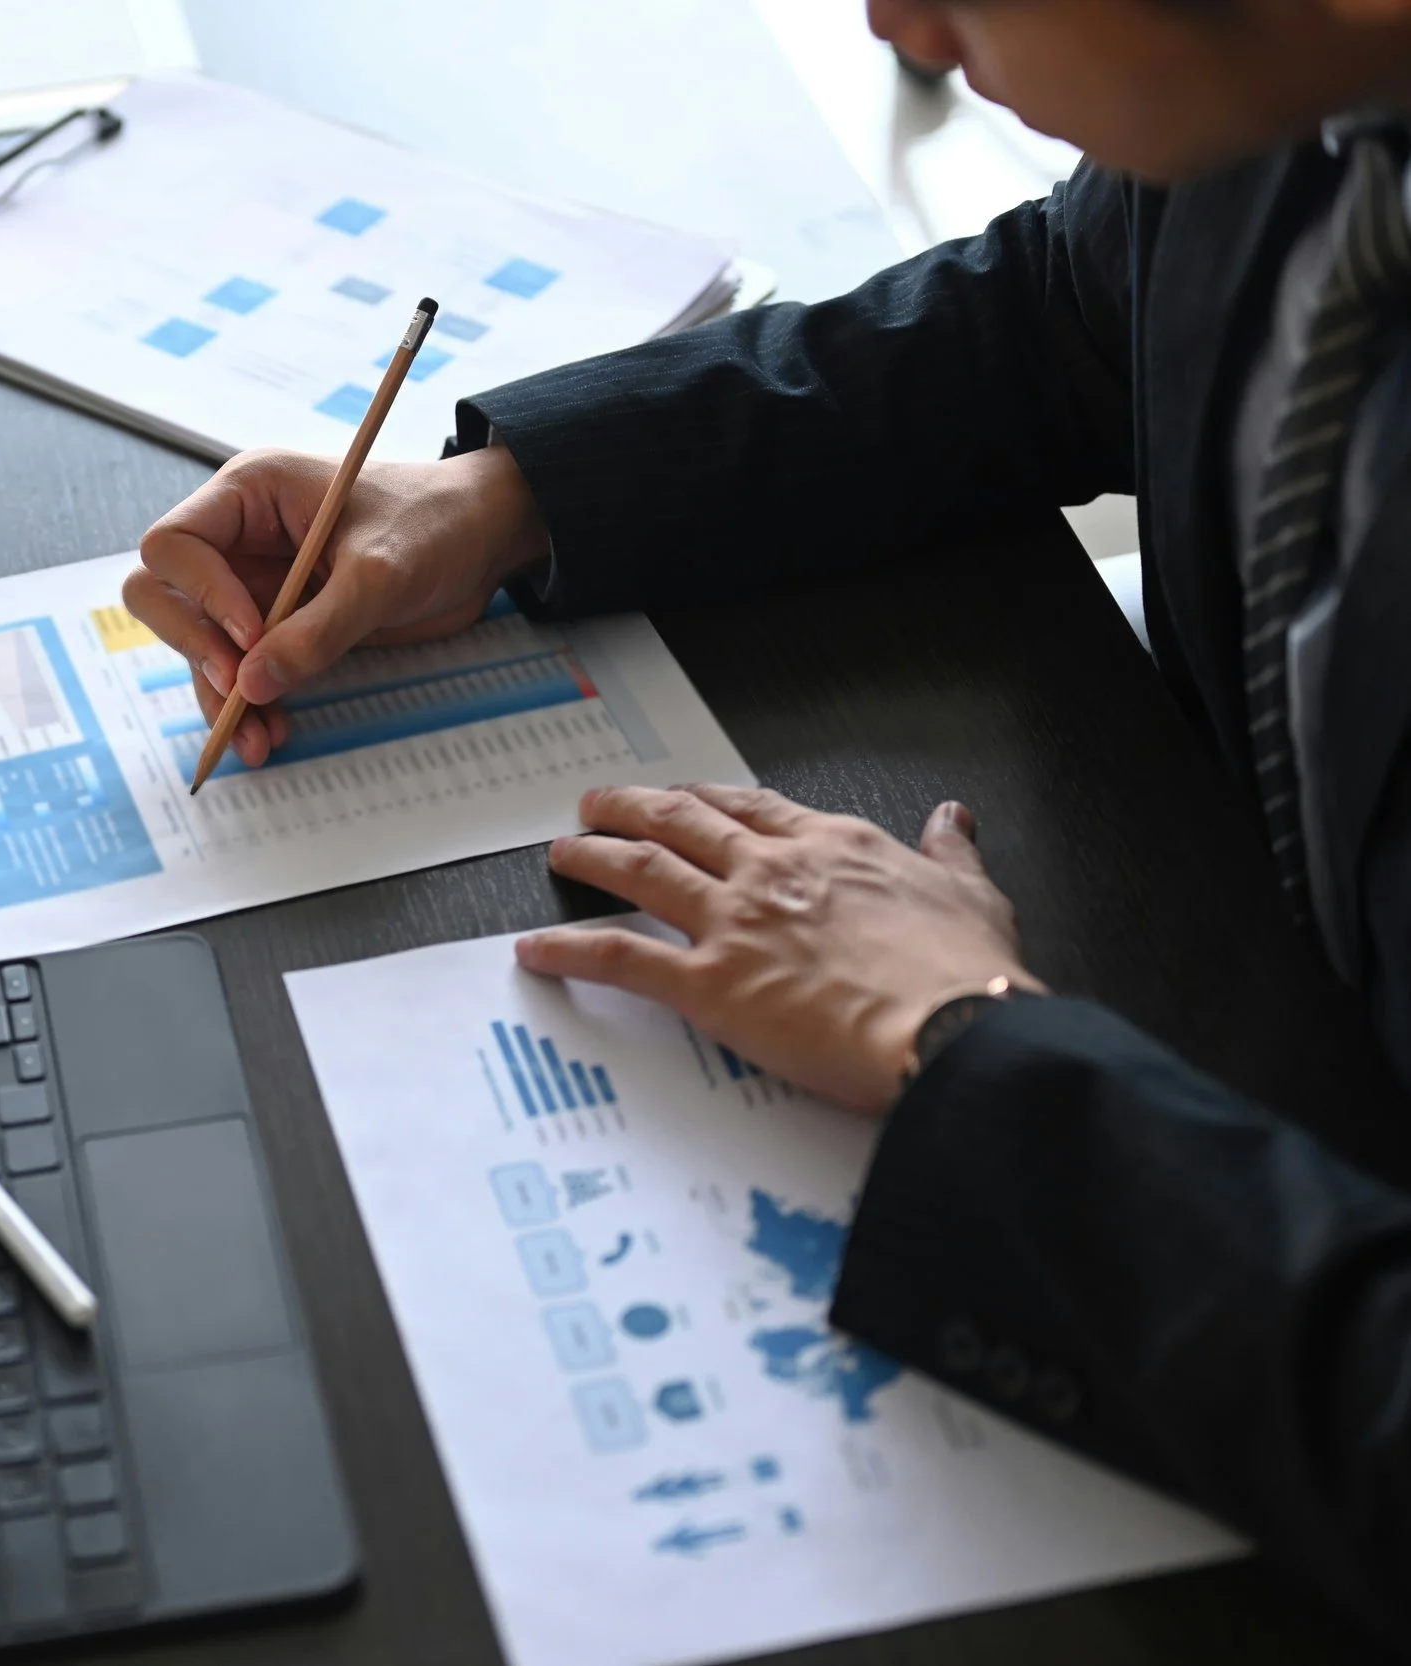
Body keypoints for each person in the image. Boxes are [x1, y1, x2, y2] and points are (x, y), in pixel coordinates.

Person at [124, 0, 1411, 1642]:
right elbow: (1059, 319)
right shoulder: (1296, 92)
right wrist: (497, 500)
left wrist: (971, 1037)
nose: (894, 22)